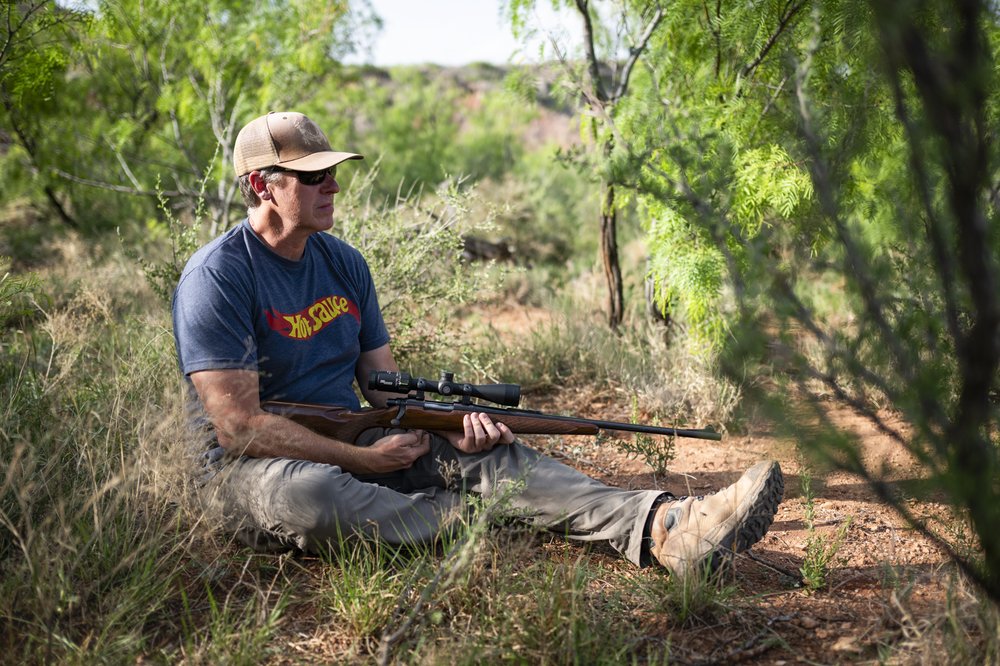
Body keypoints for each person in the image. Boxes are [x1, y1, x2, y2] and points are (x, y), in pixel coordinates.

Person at [172, 111, 784, 576]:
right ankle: (478, 519)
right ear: (260, 184)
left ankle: (665, 526)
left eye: (333, 172)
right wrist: (363, 459)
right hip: (245, 472)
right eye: (312, 176)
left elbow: (383, 389)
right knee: (317, 493)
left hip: (354, 438)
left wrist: (443, 426)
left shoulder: (344, 264)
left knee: (490, 457)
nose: (332, 185)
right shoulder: (219, 276)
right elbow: (240, 428)